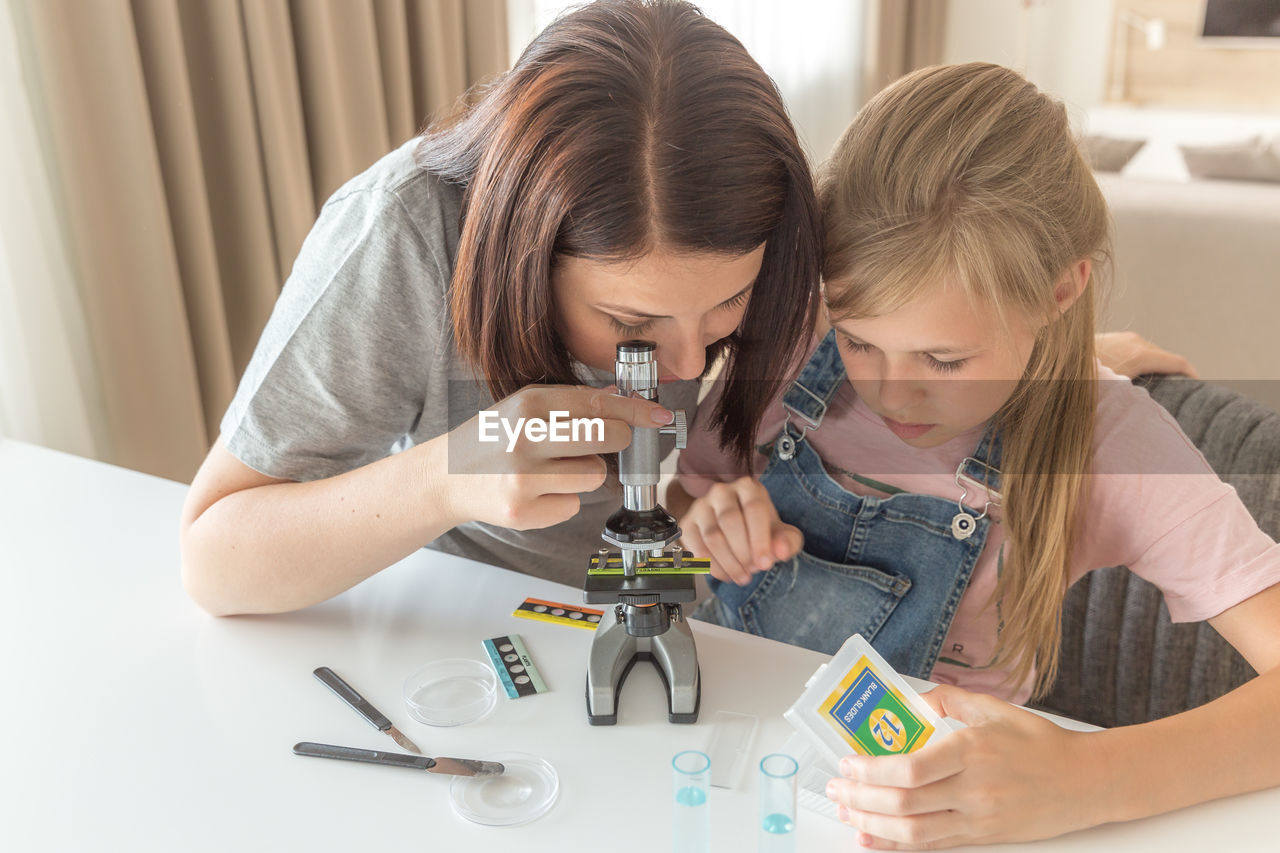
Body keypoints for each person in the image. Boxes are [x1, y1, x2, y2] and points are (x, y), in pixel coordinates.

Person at [671, 63, 1280, 847]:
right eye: (857, 339)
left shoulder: (1113, 443)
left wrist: (1088, 777)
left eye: (946, 360)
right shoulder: (787, 347)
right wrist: (702, 519)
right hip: (732, 761)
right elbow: (682, 506)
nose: (892, 395)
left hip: (944, 814)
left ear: (1059, 294)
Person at [179, 0, 822, 615]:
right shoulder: (405, 235)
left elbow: (626, 525)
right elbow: (212, 564)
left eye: (727, 303)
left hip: (621, 599)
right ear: (525, 253)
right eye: (631, 324)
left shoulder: (761, 232)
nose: (687, 362)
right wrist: (447, 479)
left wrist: (698, 525)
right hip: (462, 615)